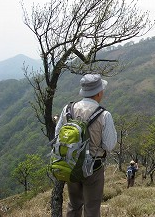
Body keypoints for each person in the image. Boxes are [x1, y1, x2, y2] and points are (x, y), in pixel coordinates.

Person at [55, 74, 117, 217]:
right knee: (92, 208)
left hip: (71, 164)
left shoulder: (68, 109)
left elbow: (58, 135)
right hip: (93, 168)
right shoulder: (104, 115)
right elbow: (109, 145)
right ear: (99, 92)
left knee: (74, 204)